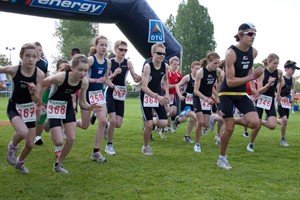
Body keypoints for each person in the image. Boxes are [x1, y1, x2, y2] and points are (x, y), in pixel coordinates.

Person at [43, 54, 102, 174]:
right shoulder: (60, 77)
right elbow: (43, 83)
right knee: (59, 141)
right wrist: (38, 100)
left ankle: (58, 164)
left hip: (67, 106)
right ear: (72, 68)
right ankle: (49, 122)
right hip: (54, 104)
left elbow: (83, 103)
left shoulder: (84, 82)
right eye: (80, 70)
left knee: (71, 138)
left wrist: (90, 107)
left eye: (85, 70)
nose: (83, 73)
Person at [217, 23, 263, 169]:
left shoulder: (254, 52)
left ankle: (228, 120)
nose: (253, 37)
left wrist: (254, 87)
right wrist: (252, 77)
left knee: (255, 123)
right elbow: (230, 82)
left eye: (255, 34)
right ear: (241, 34)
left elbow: (248, 68)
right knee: (229, 129)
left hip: (242, 93)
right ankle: (221, 158)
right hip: (226, 93)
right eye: (250, 34)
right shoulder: (231, 53)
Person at [1, 43, 44, 173]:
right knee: (23, 132)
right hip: (14, 106)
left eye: (34, 56)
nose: (31, 59)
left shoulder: (39, 74)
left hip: (29, 108)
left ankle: (20, 162)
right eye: (27, 56)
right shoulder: (14, 70)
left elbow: (37, 100)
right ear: (21, 56)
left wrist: (32, 92)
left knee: (30, 144)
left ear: (38, 58)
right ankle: (12, 148)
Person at [76, 35, 117, 163]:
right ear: (96, 46)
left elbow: (106, 78)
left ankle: (96, 151)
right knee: (84, 125)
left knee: (102, 121)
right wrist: (94, 80)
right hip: (86, 94)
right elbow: (82, 77)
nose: (104, 47)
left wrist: (113, 86)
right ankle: (68, 124)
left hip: (99, 94)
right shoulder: (90, 60)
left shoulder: (108, 62)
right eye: (101, 45)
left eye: (106, 45)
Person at [105, 40, 141, 155]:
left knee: (118, 124)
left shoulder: (128, 63)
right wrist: (114, 75)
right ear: (115, 50)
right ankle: (109, 145)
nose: (123, 52)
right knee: (113, 120)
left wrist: (138, 78)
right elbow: (105, 79)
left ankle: (107, 126)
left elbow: (134, 78)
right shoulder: (109, 62)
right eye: (121, 49)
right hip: (110, 91)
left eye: (125, 50)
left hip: (121, 94)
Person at [243, 54, 282, 152]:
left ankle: (261, 122)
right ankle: (250, 144)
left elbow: (280, 82)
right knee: (256, 126)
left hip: (270, 100)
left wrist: (278, 94)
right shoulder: (263, 73)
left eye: (277, 63)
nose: (276, 65)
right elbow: (258, 90)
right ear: (268, 62)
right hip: (260, 99)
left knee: (272, 126)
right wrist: (268, 85)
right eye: (274, 63)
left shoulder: (279, 72)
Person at [140, 43, 169, 155]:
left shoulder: (165, 66)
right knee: (150, 125)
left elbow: (166, 80)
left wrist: (166, 94)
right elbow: (144, 87)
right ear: (152, 53)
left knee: (164, 123)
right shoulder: (148, 66)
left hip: (159, 95)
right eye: (159, 53)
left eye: (163, 54)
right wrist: (157, 96)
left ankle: (148, 121)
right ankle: (145, 147)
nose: (161, 56)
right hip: (146, 96)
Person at [193, 52, 222, 152]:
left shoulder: (217, 72)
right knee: (200, 122)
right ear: (208, 62)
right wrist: (206, 98)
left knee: (205, 124)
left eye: (218, 63)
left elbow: (213, 86)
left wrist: (217, 96)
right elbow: (196, 91)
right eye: (215, 63)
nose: (217, 65)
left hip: (208, 99)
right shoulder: (200, 72)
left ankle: (213, 117)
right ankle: (197, 144)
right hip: (198, 97)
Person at [174, 61, 200, 144]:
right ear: (191, 69)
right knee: (185, 119)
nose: (198, 70)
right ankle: (178, 119)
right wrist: (180, 95)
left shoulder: (201, 77)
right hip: (186, 100)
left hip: (195, 100)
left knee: (192, 119)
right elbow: (177, 85)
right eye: (196, 68)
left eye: (199, 69)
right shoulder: (188, 77)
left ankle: (187, 136)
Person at [277, 60, 299, 146]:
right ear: (286, 69)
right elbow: (275, 92)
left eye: (294, 69)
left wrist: (292, 97)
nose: (293, 71)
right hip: (278, 102)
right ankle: (283, 139)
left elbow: (293, 89)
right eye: (292, 69)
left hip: (286, 103)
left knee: (284, 121)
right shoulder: (281, 79)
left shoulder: (293, 79)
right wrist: (281, 98)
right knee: (285, 120)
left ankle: (272, 119)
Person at [33, 41, 49, 145]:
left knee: (42, 114)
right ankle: (30, 133)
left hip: (43, 91)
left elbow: (47, 78)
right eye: (36, 49)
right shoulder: (28, 61)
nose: (38, 52)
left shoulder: (44, 62)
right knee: (31, 113)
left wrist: (42, 91)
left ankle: (38, 136)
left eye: (39, 50)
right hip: (31, 92)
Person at [164, 56, 182, 133]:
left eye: (177, 64)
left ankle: (166, 125)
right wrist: (176, 85)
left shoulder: (178, 74)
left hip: (173, 95)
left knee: (173, 112)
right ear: (170, 64)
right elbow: (167, 85)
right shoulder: (168, 73)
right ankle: (165, 126)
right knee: (168, 111)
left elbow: (182, 84)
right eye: (174, 64)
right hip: (165, 94)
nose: (176, 66)